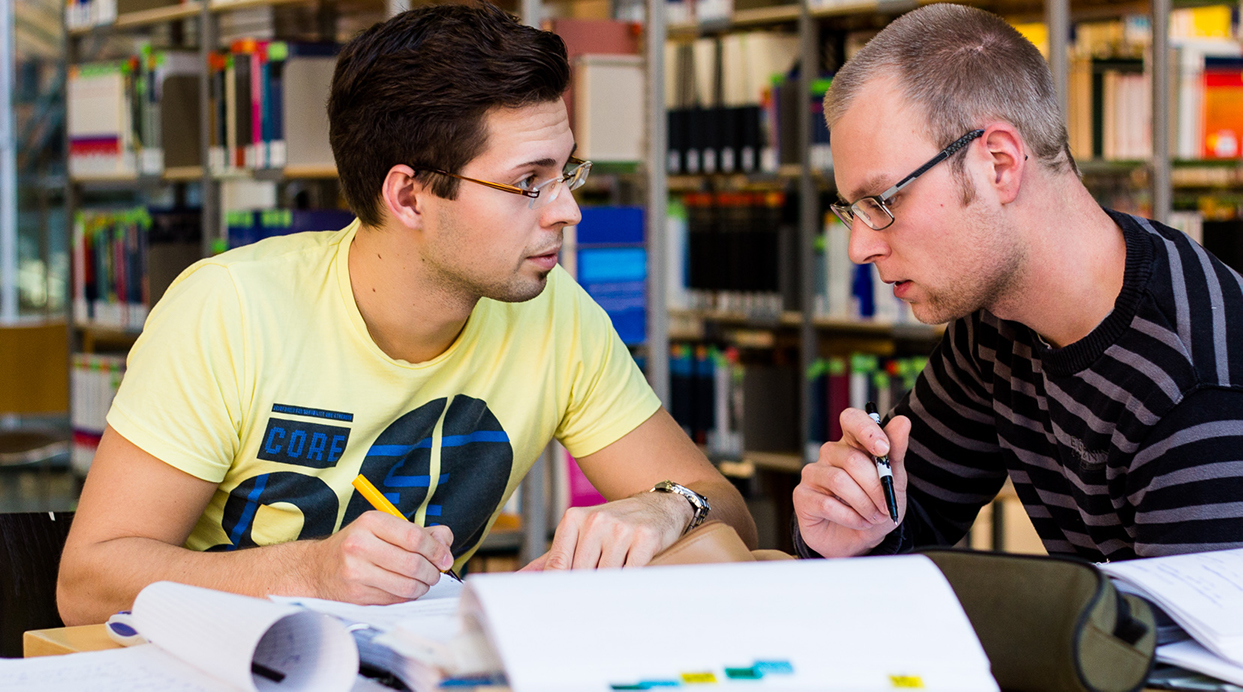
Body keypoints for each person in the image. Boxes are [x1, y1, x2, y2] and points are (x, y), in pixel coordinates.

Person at [58, 1, 756, 625]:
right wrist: (307, 572)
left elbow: (728, 513)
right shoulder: (231, 310)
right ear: (410, 197)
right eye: (527, 182)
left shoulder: (557, 316)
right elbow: (87, 584)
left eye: (566, 171)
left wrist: (669, 506)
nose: (567, 211)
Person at [793, 3, 1243, 562]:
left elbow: (1193, 643)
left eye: (882, 201)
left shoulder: (1196, 387)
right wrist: (846, 532)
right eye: (851, 209)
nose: (860, 246)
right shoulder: (997, 324)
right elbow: (908, 522)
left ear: (999, 165)